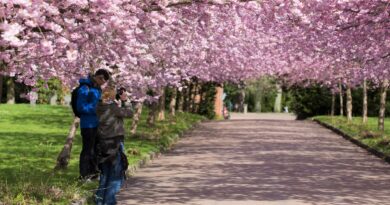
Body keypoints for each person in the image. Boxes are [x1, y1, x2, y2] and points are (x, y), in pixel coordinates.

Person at [95, 84, 133, 205]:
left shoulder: (97, 106)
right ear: (112, 95)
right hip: (115, 143)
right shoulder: (113, 108)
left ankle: (99, 201)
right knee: (116, 175)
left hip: (102, 143)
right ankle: (109, 202)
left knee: (105, 174)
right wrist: (125, 100)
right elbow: (129, 113)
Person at [77, 68, 110, 180]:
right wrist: (96, 108)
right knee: (87, 149)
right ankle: (84, 175)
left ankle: (94, 173)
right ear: (99, 77)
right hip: (87, 124)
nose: (103, 84)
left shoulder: (97, 88)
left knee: (96, 149)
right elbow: (81, 107)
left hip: (97, 123)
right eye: (103, 81)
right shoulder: (85, 87)